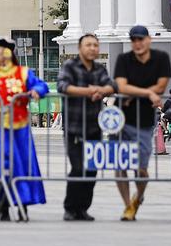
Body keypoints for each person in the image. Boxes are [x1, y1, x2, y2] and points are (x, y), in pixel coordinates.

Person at [0, 39, 48, 220]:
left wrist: (36, 90)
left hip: (18, 130)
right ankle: (0, 206)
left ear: (6, 53)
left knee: (21, 166)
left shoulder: (23, 73)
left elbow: (41, 85)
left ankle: (23, 204)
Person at [113, 25, 171, 221]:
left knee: (141, 168)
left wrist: (134, 91)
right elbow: (121, 86)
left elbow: (162, 86)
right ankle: (127, 206)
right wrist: (148, 92)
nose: (137, 43)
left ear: (149, 40)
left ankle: (138, 197)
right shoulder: (124, 59)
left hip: (145, 121)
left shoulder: (161, 59)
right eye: (134, 40)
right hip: (123, 120)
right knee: (121, 165)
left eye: (141, 39)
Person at [57, 33, 116, 221]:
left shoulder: (99, 69)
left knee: (91, 169)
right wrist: (88, 91)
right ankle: (70, 207)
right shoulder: (70, 66)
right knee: (77, 168)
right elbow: (63, 86)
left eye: (95, 45)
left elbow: (111, 85)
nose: (92, 48)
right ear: (80, 48)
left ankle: (83, 208)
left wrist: (101, 91)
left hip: (94, 127)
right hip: (74, 127)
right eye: (88, 45)